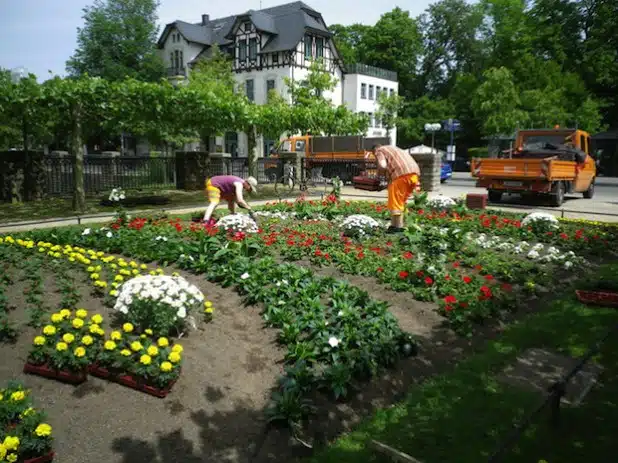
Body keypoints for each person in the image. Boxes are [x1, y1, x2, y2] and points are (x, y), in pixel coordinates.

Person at [366, 144, 421, 233]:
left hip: (401, 175)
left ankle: (397, 228)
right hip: (414, 175)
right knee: (400, 202)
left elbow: (383, 165)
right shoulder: (393, 148)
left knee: (395, 202)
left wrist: (379, 177)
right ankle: (398, 225)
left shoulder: (379, 151)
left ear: (374, 151)